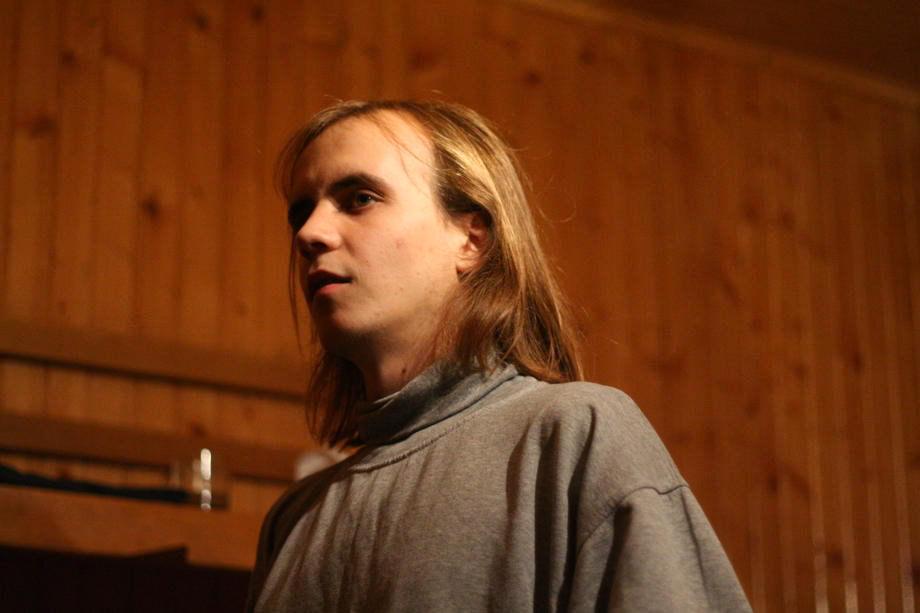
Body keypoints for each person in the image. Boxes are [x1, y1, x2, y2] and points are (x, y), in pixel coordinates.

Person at [246, 100, 751, 612]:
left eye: (359, 199)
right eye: (301, 212)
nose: (309, 233)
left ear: (471, 239)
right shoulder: (292, 521)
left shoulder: (573, 434)